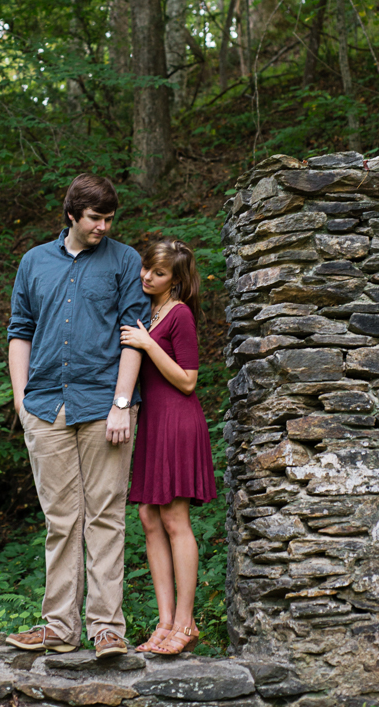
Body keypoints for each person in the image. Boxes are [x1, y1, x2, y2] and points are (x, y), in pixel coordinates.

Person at [5, 174, 148, 658]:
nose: (102, 227)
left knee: (105, 518)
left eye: (109, 219)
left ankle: (107, 628)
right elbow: (19, 330)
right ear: (72, 214)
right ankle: (58, 628)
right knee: (61, 520)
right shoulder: (33, 263)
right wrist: (21, 399)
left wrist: (122, 403)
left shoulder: (125, 261)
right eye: (94, 218)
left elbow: (135, 332)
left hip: (105, 406)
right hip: (44, 406)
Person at [120, 238, 216, 655]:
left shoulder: (178, 316)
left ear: (175, 282)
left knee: (176, 520)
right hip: (154, 424)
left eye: (158, 273)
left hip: (178, 421)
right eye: (146, 268)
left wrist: (147, 344)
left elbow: (189, 379)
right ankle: (163, 622)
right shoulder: (150, 311)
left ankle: (186, 622)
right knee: (147, 515)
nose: (146, 276)